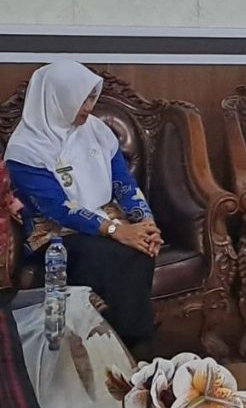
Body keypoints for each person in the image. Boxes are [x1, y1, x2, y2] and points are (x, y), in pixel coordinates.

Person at [4, 61, 161, 357]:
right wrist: (117, 231)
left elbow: (123, 184)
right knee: (105, 254)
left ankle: (124, 347)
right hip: (52, 231)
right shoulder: (25, 149)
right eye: (81, 99)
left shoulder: (97, 131)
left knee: (140, 247)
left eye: (91, 98)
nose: (89, 108)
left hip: (106, 218)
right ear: (55, 99)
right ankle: (122, 348)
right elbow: (58, 208)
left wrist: (146, 223)